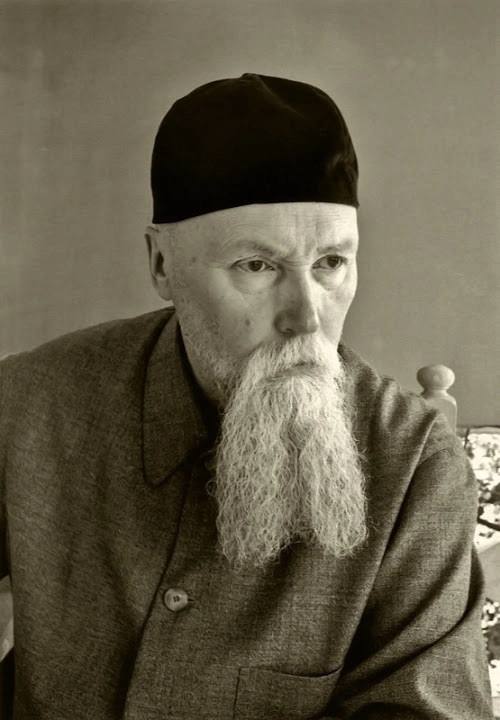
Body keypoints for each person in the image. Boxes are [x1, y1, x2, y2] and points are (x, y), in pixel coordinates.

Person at [0, 73, 494, 719]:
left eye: (330, 263)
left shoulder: (414, 470)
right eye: (257, 266)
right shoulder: (27, 407)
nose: (306, 318)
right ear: (161, 265)